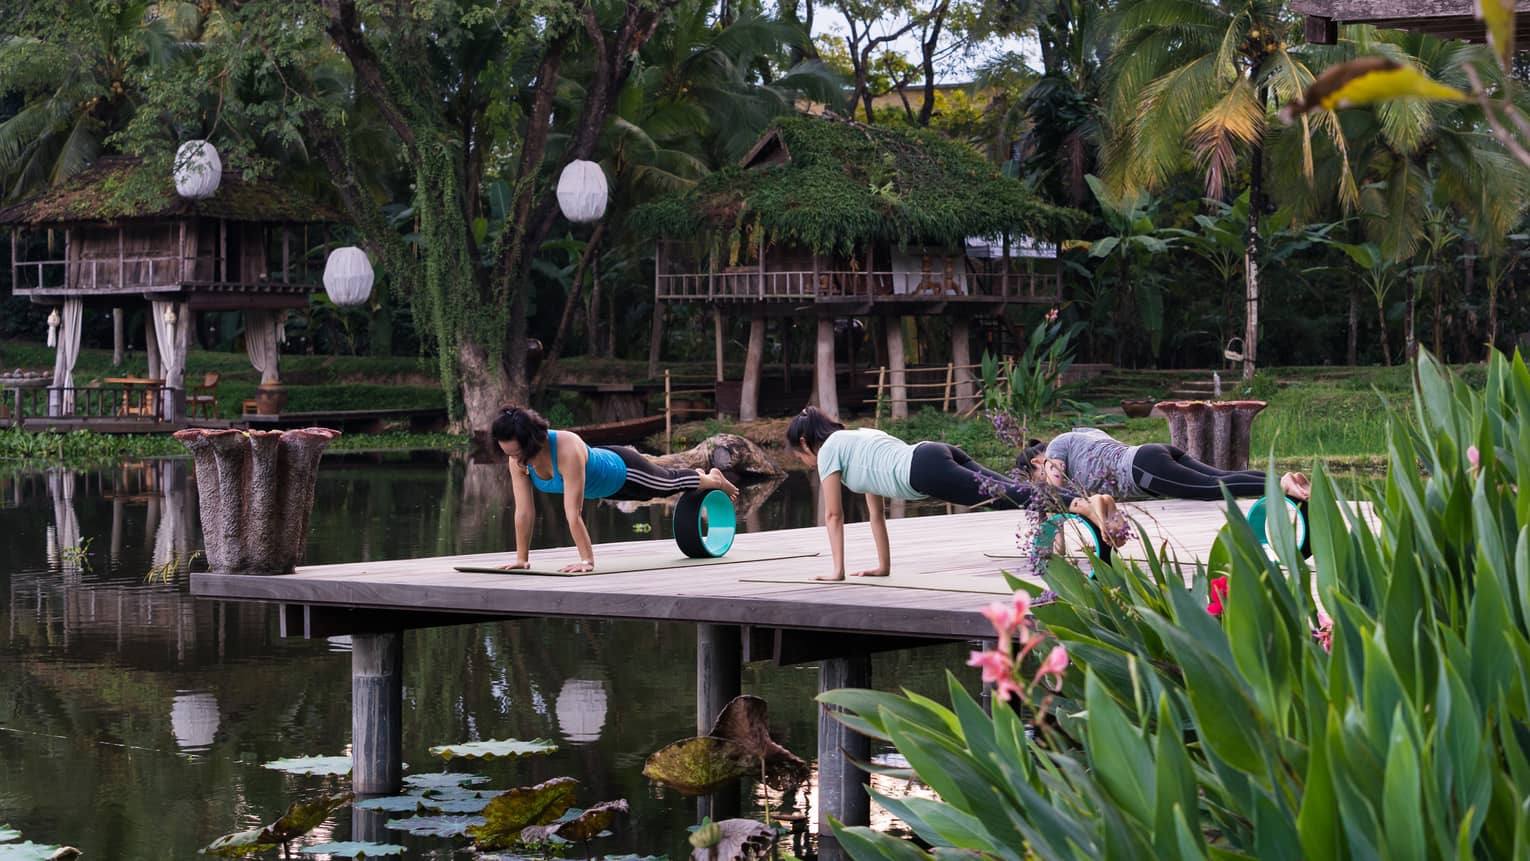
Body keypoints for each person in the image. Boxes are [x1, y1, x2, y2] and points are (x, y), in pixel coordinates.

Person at [786, 407, 1126, 581]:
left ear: (805, 442)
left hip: (924, 470)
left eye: (799, 455)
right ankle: (1090, 503)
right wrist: (882, 567)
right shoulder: (857, 437)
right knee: (1016, 490)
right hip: (931, 451)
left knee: (1009, 496)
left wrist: (837, 572)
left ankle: (1084, 505)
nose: (805, 461)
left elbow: (833, 516)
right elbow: (876, 514)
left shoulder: (829, 450)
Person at [492, 405, 739, 572]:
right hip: (607, 490)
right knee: (665, 483)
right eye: (509, 453)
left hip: (624, 471)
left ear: (533, 442)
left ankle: (712, 480)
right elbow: (523, 512)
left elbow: (573, 513)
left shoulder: (566, 448)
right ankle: (702, 477)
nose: (514, 459)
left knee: (668, 484)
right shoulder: (519, 462)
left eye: (517, 452)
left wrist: (586, 561)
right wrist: (521, 560)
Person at [1024, 427, 1311, 502]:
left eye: (1034, 476)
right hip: (1150, 453)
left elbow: (1055, 485)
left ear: (1038, 460)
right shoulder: (1081, 434)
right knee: (1222, 476)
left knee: (1215, 487)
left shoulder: (1057, 446)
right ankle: (1286, 480)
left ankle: (1280, 485)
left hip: (1143, 470)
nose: (1040, 480)